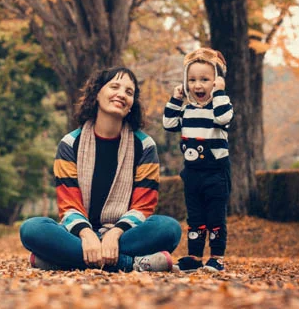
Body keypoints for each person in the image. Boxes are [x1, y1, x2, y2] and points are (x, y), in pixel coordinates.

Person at [20, 66, 182, 272]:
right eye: (115, 86)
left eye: (129, 92)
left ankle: (62, 260)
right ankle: (131, 264)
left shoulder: (144, 145)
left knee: (169, 229)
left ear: (132, 105)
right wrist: (87, 235)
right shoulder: (70, 143)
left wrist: (114, 234)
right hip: (77, 234)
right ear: (97, 93)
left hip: (125, 234)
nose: (121, 94)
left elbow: (143, 206)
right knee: (31, 229)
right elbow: (68, 204)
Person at [163, 47, 233, 272]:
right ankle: (194, 257)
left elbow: (224, 118)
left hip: (216, 172)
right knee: (195, 217)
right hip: (192, 173)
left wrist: (220, 92)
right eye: (192, 80)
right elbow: (169, 124)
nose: (198, 85)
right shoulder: (187, 110)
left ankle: (217, 258)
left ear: (216, 81)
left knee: (215, 217)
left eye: (205, 79)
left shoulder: (219, 107)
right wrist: (176, 99)